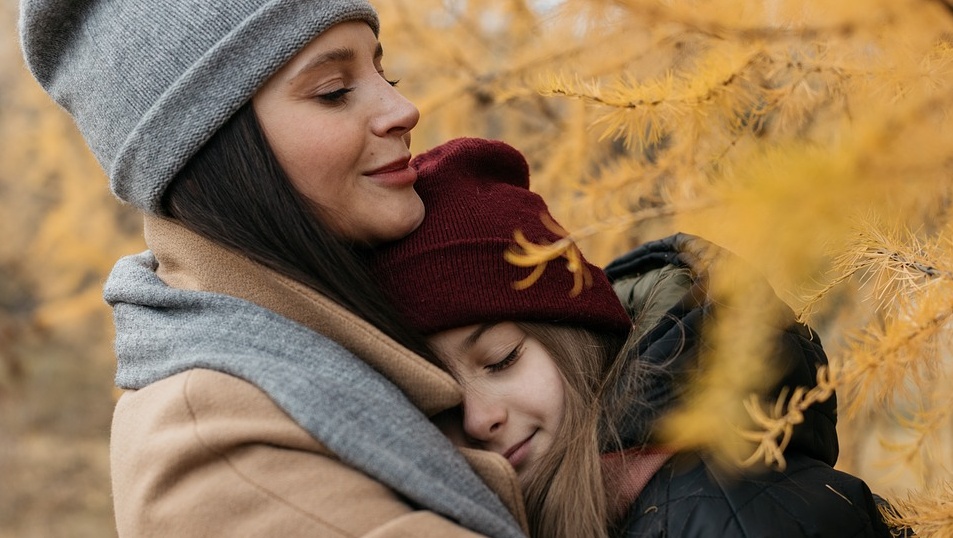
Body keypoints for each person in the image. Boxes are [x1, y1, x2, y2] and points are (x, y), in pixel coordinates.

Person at [19, 3, 527, 537]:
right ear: (214, 152)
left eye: (385, 73)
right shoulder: (218, 450)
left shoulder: (388, 299)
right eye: (334, 90)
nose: (403, 109)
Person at [368, 137, 894, 538]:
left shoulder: (716, 511)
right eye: (441, 396)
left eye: (502, 360)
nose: (481, 418)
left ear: (577, 335)